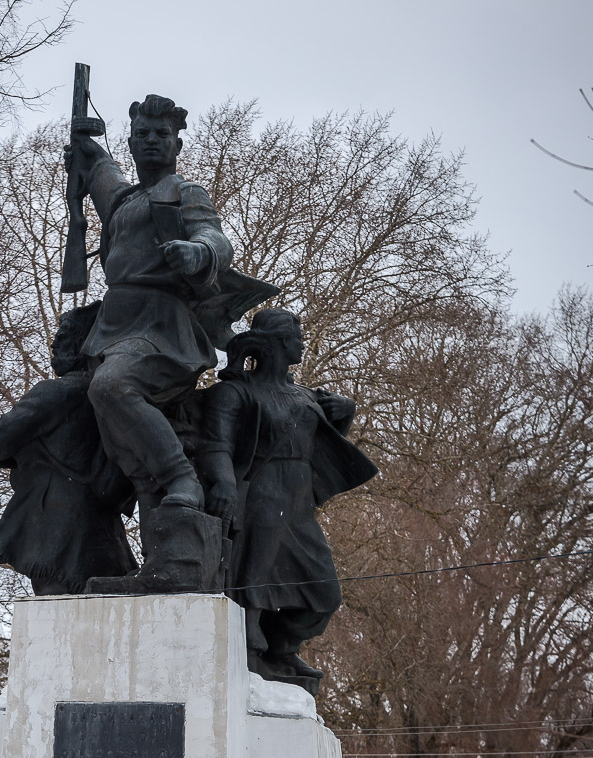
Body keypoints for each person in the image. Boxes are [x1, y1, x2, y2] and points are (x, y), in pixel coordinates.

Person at [67, 92, 276, 591]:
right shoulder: (123, 200)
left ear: (177, 144)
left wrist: (198, 252)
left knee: (112, 388)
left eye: (162, 134)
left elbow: (216, 238)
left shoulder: (185, 192)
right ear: (131, 143)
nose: (151, 141)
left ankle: (183, 477)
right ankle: (159, 571)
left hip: (161, 327)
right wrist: (84, 143)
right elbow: (100, 169)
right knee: (134, 460)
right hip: (115, 326)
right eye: (142, 134)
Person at [198, 308, 377, 692]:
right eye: (297, 338)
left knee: (324, 594)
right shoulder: (236, 392)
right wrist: (224, 482)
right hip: (262, 494)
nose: (302, 344)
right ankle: (250, 652)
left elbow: (324, 443)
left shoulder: (307, 396)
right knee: (253, 578)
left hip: (299, 500)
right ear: (280, 342)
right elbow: (215, 445)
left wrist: (345, 413)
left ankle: (281, 647)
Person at [0, 304, 136, 594]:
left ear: (83, 347)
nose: (54, 345)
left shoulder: (58, 392)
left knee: (55, 606)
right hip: (103, 534)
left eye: (63, 336)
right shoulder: (117, 401)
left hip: (55, 528)